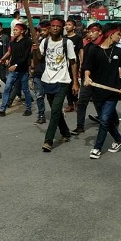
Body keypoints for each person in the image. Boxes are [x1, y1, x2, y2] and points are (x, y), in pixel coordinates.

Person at [82, 22, 121, 159]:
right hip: (97, 90)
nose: (120, 37)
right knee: (105, 120)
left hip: (113, 91)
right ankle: (119, 140)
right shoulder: (94, 50)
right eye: (118, 34)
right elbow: (87, 67)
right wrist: (87, 77)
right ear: (110, 34)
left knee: (103, 120)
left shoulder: (119, 52)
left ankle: (97, 148)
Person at [38, 18, 79, 152]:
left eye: (58, 26)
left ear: (62, 29)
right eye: (53, 26)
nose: (55, 28)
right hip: (47, 80)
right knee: (56, 112)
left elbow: (73, 62)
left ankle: (48, 141)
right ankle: (66, 133)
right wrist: (34, 50)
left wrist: (75, 82)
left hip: (63, 81)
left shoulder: (67, 43)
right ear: (49, 28)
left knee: (55, 110)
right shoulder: (44, 42)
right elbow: (37, 59)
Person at [0, 22, 33, 117]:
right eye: (14, 30)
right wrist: (2, 59)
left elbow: (26, 56)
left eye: (16, 30)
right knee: (6, 89)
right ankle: (2, 110)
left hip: (22, 70)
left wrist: (16, 65)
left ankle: (28, 108)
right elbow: (9, 52)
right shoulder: (13, 42)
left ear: (22, 31)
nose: (14, 31)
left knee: (25, 90)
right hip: (13, 70)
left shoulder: (27, 41)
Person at [72, 22, 103, 135]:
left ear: (99, 32)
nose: (90, 34)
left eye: (92, 31)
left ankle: (109, 121)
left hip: (102, 80)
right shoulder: (88, 47)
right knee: (82, 102)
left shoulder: (105, 46)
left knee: (101, 102)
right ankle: (80, 126)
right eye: (89, 32)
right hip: (87, 79)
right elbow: (85, 63)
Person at [32, 21, 50, 124]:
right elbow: (35, 58)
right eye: (41, 30)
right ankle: (41, 114)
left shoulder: (54, 42)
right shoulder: (38, 42)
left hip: (50, 73)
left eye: (44, 30)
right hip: (39, 72)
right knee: (39, 95)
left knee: (52, 96)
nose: (42, 32)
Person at [63, 19, 83, 113]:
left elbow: (80, 51)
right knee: (66, 84)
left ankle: (76, 102)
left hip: (74, 64)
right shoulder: (63, 38)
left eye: (69, 25)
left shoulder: (78, 38)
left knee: (74, 83)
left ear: (74, 27)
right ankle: (70, 104)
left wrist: (82, 63)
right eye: (66, 25)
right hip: (64, 64)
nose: (67, 26)